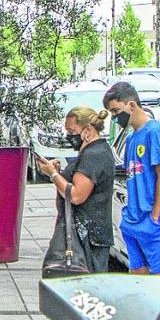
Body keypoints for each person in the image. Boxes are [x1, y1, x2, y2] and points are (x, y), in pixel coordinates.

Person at [102, 81, 160, 320]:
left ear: (131, 105)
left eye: (116, 111)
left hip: (155, 221)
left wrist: (157, 215)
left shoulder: (154, 133)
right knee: (140, 282)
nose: (115, 117)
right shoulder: (132, 138)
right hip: (134, 219)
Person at [36, 106, 115, 274]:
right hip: (91, 233)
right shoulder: (97, 151)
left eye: (72, 131)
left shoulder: (93, 155)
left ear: (88, 130)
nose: (69, 136)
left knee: (86, 283)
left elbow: (77, 195)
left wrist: (53, 174)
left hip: (86, 235)